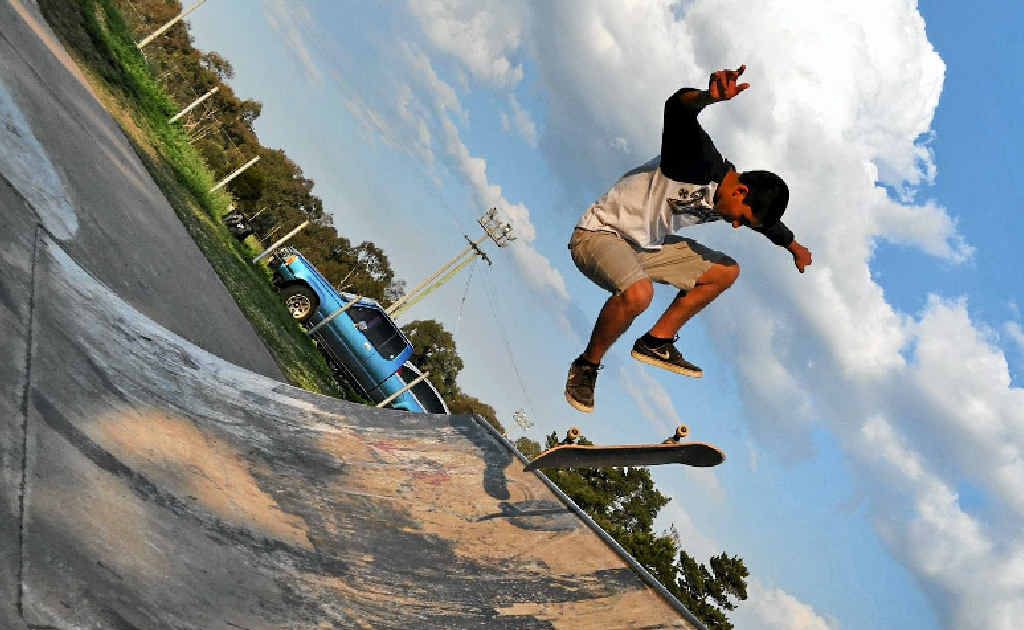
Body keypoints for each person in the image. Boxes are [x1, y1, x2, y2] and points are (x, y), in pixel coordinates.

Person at [565, 65, 812, 413]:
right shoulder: (697, 161)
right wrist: (709, 96)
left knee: (726, 271)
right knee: (640, 294)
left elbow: (768, 226)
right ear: (740, 191)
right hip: (599, 234)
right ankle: (587, 366)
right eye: (740, 218)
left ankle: (657, 341)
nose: (736, 226)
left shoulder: (736, 201)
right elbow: (676, 108)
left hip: (641, 247)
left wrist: (794, 247)